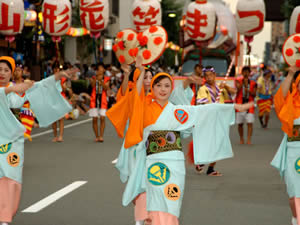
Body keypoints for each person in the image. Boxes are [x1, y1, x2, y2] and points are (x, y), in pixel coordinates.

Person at [113, 66, 252, 225]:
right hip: (155, 163)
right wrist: (138, 69)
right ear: (152, 87)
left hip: (175, 164)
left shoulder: (177, 111)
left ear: (171, 89)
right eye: (158, 85)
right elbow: (135, 95)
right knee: (156, 199)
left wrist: (232, 107)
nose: (163, 89)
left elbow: (203, 111)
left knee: (172, 199)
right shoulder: (143, 106)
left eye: (167, 86)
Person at [0, 56, 72, 225]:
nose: (2, 73)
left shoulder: (18, 89)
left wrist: (57, 76)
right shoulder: (13, 89)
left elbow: (40, 87)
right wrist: (11, 90)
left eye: (6, 70)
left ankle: (4, 217)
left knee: (11, 178)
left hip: (13, 142)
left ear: (11, 73)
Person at [195, 66, 236, 176]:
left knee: (218, 144)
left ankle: (210, 168)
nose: (209, 77)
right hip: (208, 120)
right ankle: (202, 162)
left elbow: (234, 92)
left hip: (220, 119)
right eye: (206, 76)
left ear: (214, 75)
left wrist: (226, 86)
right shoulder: (203, 89)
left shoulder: (221, 88)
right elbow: (202, 104)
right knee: (209, 143)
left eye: (210, 75)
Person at [271, 66, 300, 225]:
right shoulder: (289, 105)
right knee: (294, 192)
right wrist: (290, 75)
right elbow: (280, 98)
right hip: (293, 154)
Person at [235, 66, 257, 145]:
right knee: (240, 124)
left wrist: (249, 91)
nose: (246, 73)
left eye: (247, 72)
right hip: (240, 104)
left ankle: (248, 139)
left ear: (249, 73)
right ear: (242, 73)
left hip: (249, 104)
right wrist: (243, 83)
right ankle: (241, 138)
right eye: (244, 72)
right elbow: (237, 90)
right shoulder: (238, 81)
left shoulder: (253, 83)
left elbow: (254, 94)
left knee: (249, 122)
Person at [89, 63, 110, 142]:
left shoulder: (107, 78)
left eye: (101, 68)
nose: (100, 69)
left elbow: (106, 88)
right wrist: (96, 79)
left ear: (104, 70)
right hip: (94, 99)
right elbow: (92, 85)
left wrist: (101, 80)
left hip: (103, 100)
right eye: (99, 68)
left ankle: (101, 136)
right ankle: (97, 136)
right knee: (94, 119)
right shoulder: (93, 78)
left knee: (102, 118)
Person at [51, 62, 67, 142]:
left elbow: (64, 89)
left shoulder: (63, 79)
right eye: (55, 69)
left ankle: (60, 136)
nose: (57, 70)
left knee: (60, 118)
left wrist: (62, 84)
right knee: (54, 119)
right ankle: (55, 136)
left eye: (58, 69)